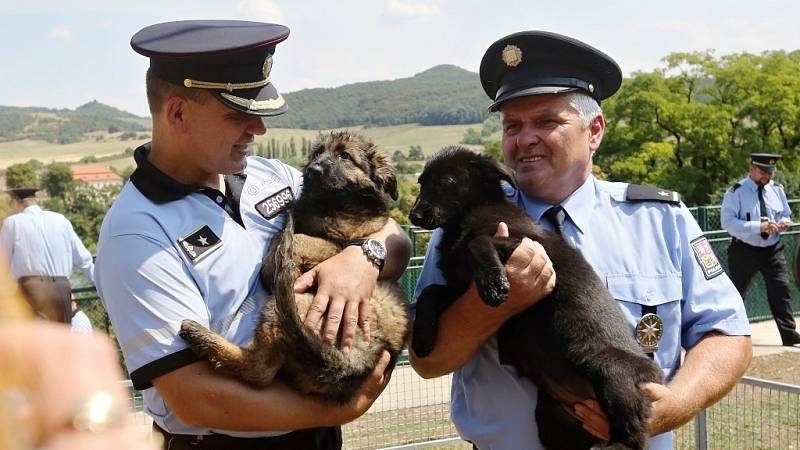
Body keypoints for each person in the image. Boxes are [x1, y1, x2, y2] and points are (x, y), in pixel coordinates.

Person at [409, 30, 752, 450]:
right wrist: (496, 301)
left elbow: (728, 334)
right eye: (512, 125)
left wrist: (674, 406)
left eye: (547, 121)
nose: (525, 138)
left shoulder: (660, 219)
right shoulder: (462, 228)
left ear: (594, 131)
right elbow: (429, 361)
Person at [94, 20, 411, 450]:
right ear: (178, 113)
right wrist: (338, 409)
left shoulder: (272, 176)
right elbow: (196, 399)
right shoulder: (136, 234)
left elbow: (389, 232)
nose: (258, 130)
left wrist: (363, 257)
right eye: (237, 115)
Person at [721, 153, 798, 347]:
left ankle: (789, 334)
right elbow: (727, 222)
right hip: (744, 250)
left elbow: (786, 214)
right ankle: (729, 334)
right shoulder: (736, 191)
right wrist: (758, 227)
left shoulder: (777, 189)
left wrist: (783, 223)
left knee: (781, 290)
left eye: (770, 172)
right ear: (752, 169)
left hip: (773, 248)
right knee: (737, 293)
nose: (768, 176)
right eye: (764, 172)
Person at [0, 187, 95, 323]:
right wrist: (98, 284)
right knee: (61, 339)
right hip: (61, 290)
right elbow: (84, 259)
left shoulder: (12, 223)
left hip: (31, 290)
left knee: (33, 341)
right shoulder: (61, 220)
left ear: (15, 202)